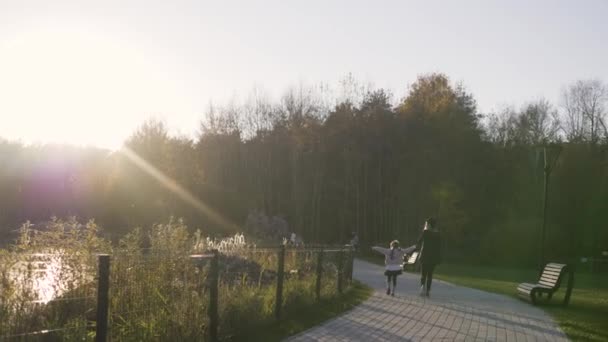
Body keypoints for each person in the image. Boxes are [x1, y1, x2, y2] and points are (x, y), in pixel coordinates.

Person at [415, 217, 441, 297]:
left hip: (424, 256)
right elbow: (439, 247)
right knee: (430, 275)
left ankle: (422, 289)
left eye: (426, 224)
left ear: (429, 224)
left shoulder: (425, 232)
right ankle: (428, 291)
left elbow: (418, 241)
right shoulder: (438, 234)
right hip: (433, 258)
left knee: (423, 274)